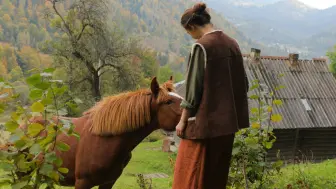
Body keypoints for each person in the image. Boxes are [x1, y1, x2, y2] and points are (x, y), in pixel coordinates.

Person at [172, 2, 250, 189]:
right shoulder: (233, 44)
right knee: (217, 176)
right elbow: (244, 84)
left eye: (188, 33)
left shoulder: (202, 47)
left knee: (194, 177)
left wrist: (183, 121)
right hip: (228, 126)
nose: (191, 37)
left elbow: (193, 89)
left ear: (191, 27)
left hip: (205, 127)